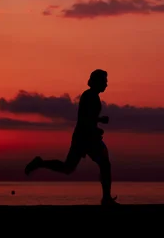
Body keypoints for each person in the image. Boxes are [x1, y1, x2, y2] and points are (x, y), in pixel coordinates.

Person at [24, 69, 118, 206]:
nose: (106, 84)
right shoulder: (89, 96)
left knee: (74, 167)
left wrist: (97, 124)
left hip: (87, 137)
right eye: (104, 81)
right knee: (97, 165)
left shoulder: (93, 96)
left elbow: (87, 119)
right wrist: (99, 122)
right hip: (85, 138)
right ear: (97, 81)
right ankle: (106, 199)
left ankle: (106, 198)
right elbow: (84, 118)